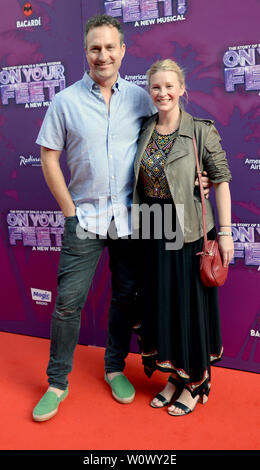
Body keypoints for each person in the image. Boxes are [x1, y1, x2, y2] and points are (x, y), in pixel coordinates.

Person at [32, 16, 211, 422]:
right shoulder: (65, 102)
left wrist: (195, 176)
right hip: (86, 218)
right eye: (95, 48)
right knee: (67, 304)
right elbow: (49, 155)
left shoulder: (140, 97)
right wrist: (69, 210)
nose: (103, 55)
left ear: (123, 51)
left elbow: (172, 133)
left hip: (136, 218)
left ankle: (115, 368)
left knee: (127, 297)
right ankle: (57, 382)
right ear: (86, 52)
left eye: (110, 47)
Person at [133, 59, 234, 416]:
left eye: (169, 86)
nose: (162, 93)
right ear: (150, 91)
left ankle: (194, 382)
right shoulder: (144, 129)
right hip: (152, 231)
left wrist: (225, 233)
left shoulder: (200, 131)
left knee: (189, 307)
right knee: (163, 306)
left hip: (190, 232)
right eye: (156, 87)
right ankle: (173, 377)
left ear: (182, 89)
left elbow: (220, 181)